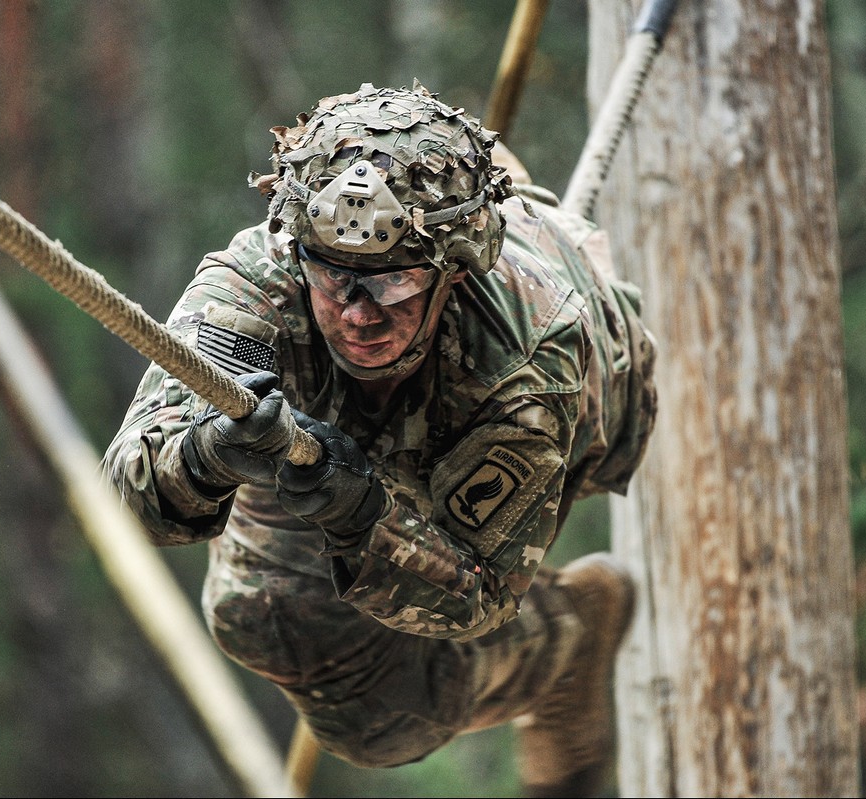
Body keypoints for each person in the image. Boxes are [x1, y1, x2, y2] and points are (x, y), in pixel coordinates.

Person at [102, 81, 657, 797]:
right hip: (363, 414)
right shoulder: (261, 285)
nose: (357, 315)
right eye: (334, 279)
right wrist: (207, 456)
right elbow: (132, 490)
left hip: (541, 417)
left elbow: (477, 588)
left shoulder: (524, 369)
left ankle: (564, 640)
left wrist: (363, 517)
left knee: (383, 723)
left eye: (390, 287)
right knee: (259, 612)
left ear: (451, 272)